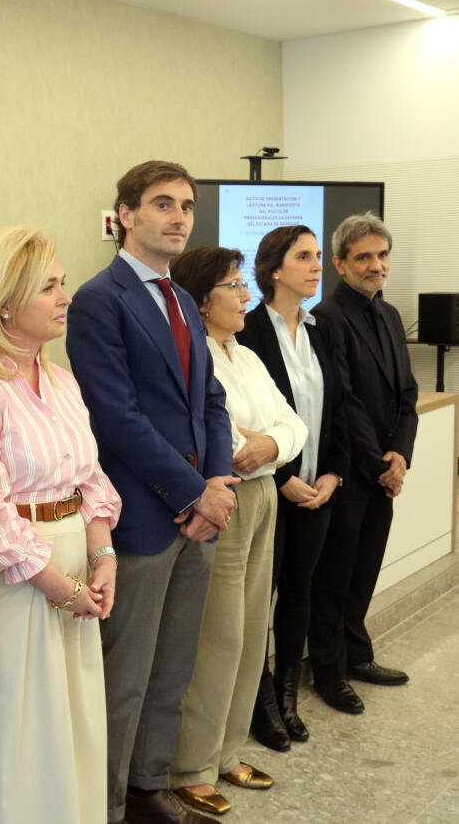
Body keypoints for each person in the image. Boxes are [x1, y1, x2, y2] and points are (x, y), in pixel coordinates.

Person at [66, 160, 236, 824]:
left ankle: (147, 791)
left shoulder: (180, 302)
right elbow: (114, 416)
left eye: (187, 206)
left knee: (173, 671)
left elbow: (212, 400)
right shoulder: (99, 299)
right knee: (126, 680)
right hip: (142, 518)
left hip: (198, 515)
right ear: (127, 214)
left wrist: (217, 482)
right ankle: (104, 805)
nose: (178, 217)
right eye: (163, 204)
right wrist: (194, 490)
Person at [0, 226, 121, 824]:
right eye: (49, 286)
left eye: (63, 283)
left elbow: (90, 480)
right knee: (16, 737)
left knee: (72, 725)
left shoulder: (63, 380)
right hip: (18, 585)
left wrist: (103, 561)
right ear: (6, 304)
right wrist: (59, 586)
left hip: (75, 577)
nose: (65, 296)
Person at [166, 246, 306, 816]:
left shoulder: (245, 355)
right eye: (234, 286)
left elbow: (292, 422)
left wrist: (270, 444)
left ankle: (227, 754)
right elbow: (211, 435)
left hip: (264, 495)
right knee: (218, 636)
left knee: (252, 632)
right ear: (202, 300)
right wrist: (252, 443)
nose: (247, 295)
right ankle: (190, 765)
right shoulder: (192, 353)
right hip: (224, 500)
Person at [236, 225, 348, 749]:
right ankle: (259, 706)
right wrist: (283, 479)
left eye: (319, 256)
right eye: (305, 256)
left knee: (300, 594)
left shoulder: (321, 329)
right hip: (273, 492)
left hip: (318, 488)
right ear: (274, 269)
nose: (317, 265)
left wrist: (332, 473)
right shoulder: (247, 331)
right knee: (260, 601)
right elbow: (249, 422)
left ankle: (287, 697)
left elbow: (341, 407)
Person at [307, 212, 417, 713]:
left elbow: (407, 394)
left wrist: (402, 456)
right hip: (351, 471)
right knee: (336, 575)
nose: (376, 266)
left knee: (366, 570)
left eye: (382, 255)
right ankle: (328, 672)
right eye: (364, 257)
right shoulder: (329, 317)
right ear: (340, 264)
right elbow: (344, 402)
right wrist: (378, 461)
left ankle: (357, 655)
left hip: (383, 471)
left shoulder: (390, 314)